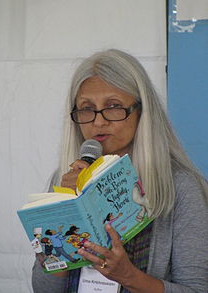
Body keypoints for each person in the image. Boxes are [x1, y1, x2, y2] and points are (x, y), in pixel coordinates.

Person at [32, 49, 208, 293]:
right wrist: (63, 213)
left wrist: (128, 276)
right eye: (86, 108)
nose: (98, 121)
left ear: (142, 112)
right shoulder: (65, 180)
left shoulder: (180, 186)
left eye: (114, 106)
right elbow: (43, 289)